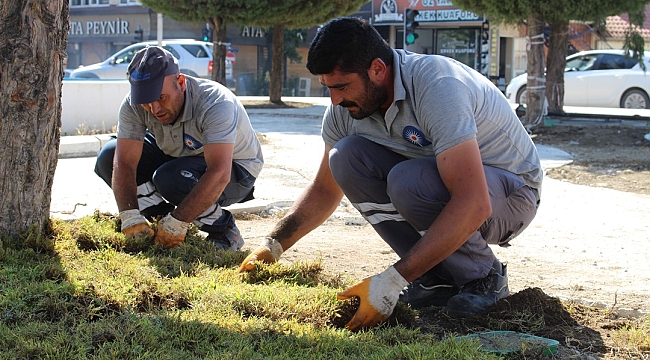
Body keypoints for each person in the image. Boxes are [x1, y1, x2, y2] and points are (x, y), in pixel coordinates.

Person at [238, 17, 542, 330]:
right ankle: (433, 278)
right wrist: (272, 246)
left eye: (342, 86)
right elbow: (324, 190)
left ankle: (483, 278)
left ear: (378, 70)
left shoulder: (436, 86)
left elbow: (473, 201)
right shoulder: (345, 110)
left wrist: (394, 280)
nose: (335, 100)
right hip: (445, 185)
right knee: (345, 158)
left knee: (409, 181)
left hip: (512, 194)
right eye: (328, 88)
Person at [95, 46, 263, 250]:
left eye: (161, 97)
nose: (154, 109)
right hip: (178, 157)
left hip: (235, 169)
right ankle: (159, 220)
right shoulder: (134, 105)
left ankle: (223, 230)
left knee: (171, 178)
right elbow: (124, 162)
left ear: (180, 82)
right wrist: (129, 215)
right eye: (146, 103)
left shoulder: (215, 102)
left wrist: (179, 222)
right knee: (109, 156)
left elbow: (219, 173)